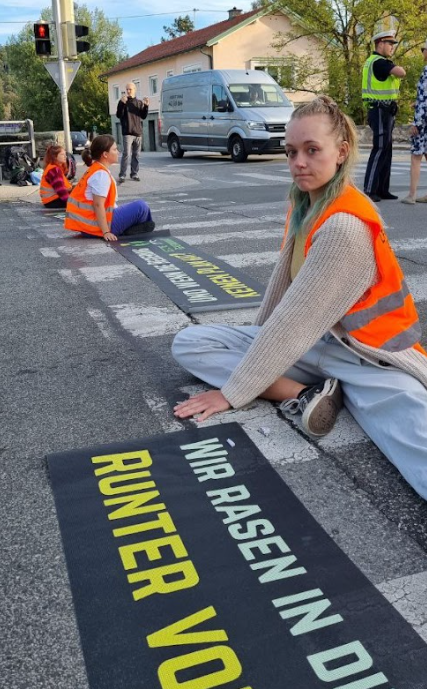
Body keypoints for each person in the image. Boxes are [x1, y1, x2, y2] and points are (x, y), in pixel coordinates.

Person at [172, 95, 427, 501]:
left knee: (415, 443)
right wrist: (257, 340)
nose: (299, 163)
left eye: (312, 150)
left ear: (341, 152)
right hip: (315, 346)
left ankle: (333, 389)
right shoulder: (305, 203)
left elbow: (294, 321)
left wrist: (233, 392)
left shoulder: (344, 225)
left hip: (367, 355)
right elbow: (282, 292)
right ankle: (306, 394)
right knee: (190, 342)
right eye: (291, 152)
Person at [64, 134, 155, 241]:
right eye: (115, 149)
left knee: (137, 208)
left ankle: (134, 228)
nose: (118, 152)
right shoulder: (100, 174)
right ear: (105, 154)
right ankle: (129, 230)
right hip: (95, 226)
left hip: (89, 225)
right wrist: (106, 231)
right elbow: (98, 204)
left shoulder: (96, 169)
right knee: (142, 207)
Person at [362, 28, 406, 202]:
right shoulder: (379, 62)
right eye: (390, 43)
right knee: (380, 149)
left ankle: (382, 189)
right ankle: (370, 189)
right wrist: (398, 67)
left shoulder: (377, 61)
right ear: (380, 43)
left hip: (385, 111)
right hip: (379, 110)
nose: (392, 47)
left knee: (386, 150)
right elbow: (401, 72)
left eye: (393, 44)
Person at [402, 39, 427, 204]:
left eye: (423, 49)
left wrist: (416, 123)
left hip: (423, 122)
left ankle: (411, 195)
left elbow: (425, 100)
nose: (422, 52)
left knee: (415, 157)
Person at [116, 82, 149, 184]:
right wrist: (122, 103)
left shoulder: (139, 103)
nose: (128, 91)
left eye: (130, 89)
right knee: (126, 154)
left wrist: (146, 106)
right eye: (127, 89)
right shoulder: (123, 102)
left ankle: (134, 174)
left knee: (136, 154)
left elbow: (143, 116)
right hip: (127, 132)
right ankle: (122, 175)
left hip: (138, 133)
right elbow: (118, 115)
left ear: (135, 89)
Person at [39, 144, 72, 209]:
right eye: (62, 154)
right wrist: (72, 203)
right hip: (53, 201)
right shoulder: (54, 170)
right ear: (54, 156)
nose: (65, 156)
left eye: (65, 154)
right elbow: (61, 191)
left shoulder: (53, 168)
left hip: (52, 200)